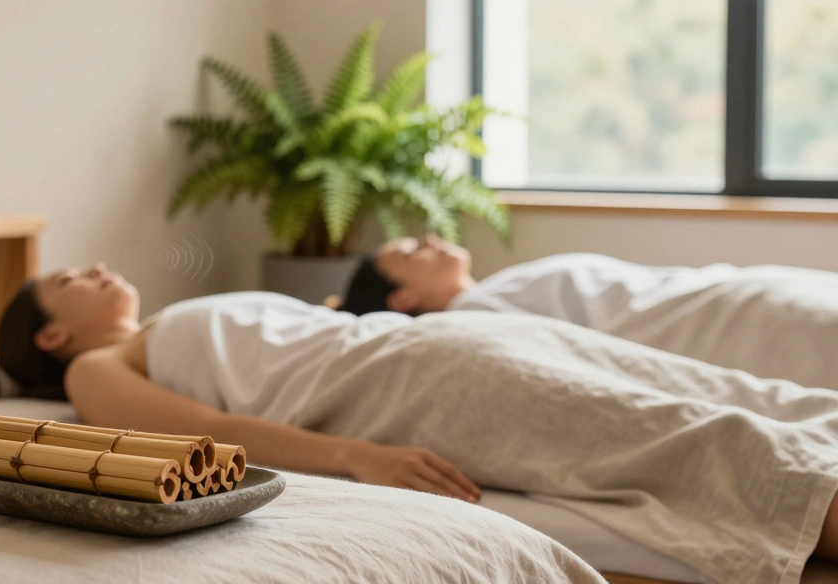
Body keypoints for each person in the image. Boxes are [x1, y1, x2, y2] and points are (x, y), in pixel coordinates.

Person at [0, 263, 838, 584]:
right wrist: (358, 458)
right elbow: (210, 435)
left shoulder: (178, 316)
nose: (97, 267)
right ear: (52, 339)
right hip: (419, 387)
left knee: (757, 400)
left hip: (449, 345)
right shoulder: (94, 369)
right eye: (71, 279)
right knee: (698, 439)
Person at [339, 235, 838, 389]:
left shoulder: (495, 291)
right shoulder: (475, 323)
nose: (429, 239)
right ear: (402, 300)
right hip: (700, 321)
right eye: (410, 254)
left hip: (712, 290)